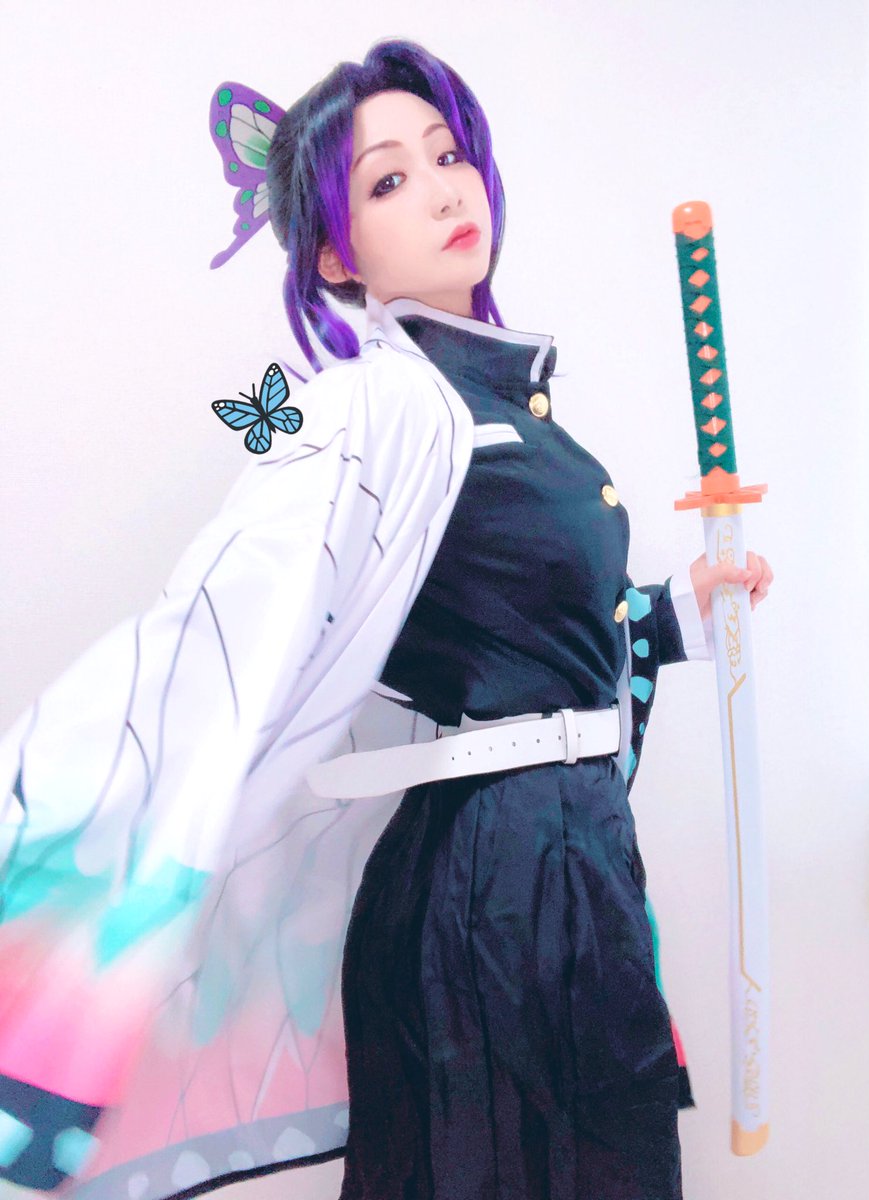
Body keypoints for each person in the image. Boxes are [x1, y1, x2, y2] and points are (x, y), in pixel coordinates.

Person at [0, 38, 772, 1200]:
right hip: (494, 887)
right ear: (334, 249)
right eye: (391, 179)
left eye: (449, 156)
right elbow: (220, 623)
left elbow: (532, 644)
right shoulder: (376, 411)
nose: (445, 190)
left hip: (564, 863)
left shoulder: (505, 411)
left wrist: (678, 616)